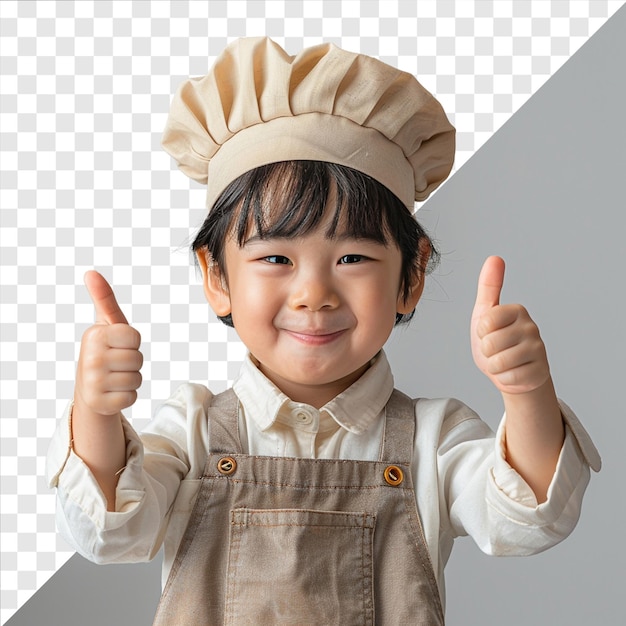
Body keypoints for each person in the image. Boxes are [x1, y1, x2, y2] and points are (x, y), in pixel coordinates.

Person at [47, 37, 600, 624]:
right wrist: (96, 414)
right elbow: (110, 532)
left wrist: (526, 392)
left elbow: (528, 521)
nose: (314, 294)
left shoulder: (433, 439)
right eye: (276, 259)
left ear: (410, 276)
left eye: (353, 259)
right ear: (216, 277)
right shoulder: (193, 431)